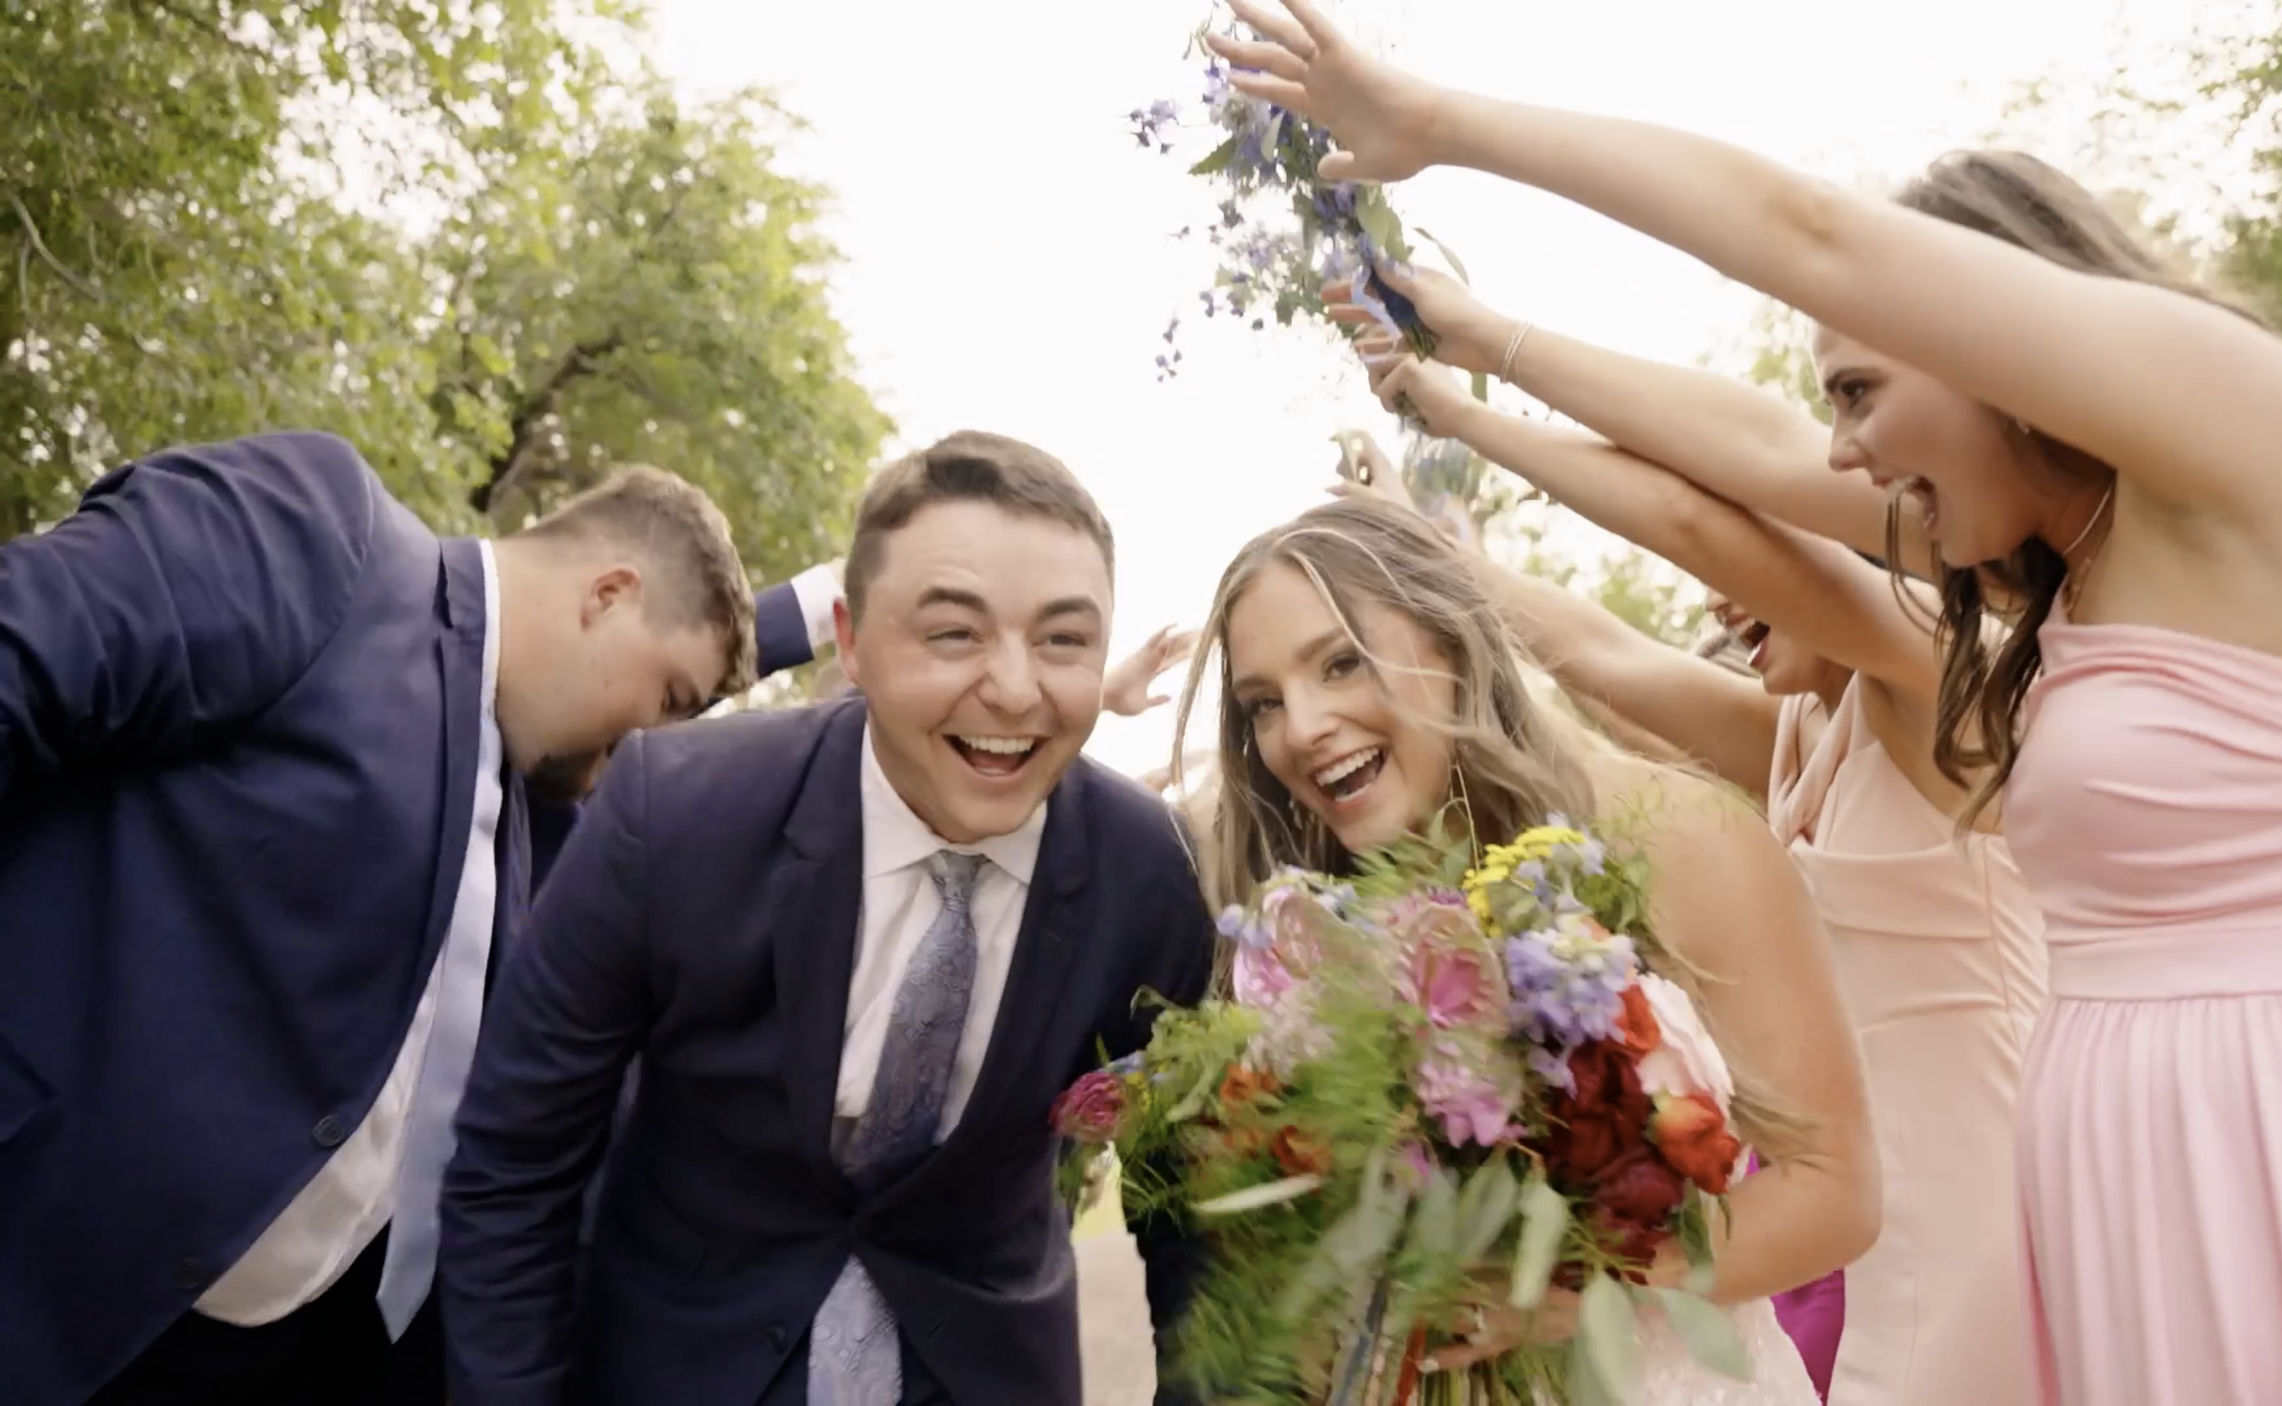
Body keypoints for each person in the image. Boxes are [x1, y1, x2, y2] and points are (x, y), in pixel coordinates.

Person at [1210, 4, 2282, 1400]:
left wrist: (1439, 126)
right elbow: (1750, 462)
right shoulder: (2074, 576)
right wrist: (1471, 370)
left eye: (1863, 388)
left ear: (1997, 334)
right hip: (2166, 1209)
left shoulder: (2261, 447)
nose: (1840, 446)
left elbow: (1801, 256)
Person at [1334, 305, 2048, 1406]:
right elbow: (1594, 650)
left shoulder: (1944, 684)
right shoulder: (1803, 733)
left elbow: (1698, 521)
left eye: (1773, 556)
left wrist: (1457, 400)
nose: (1719, 597)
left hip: (1996, 1205)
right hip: (1880, 1228)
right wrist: (1418, 551)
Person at [438, 431, 1215, 1405]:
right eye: (953, 632)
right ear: (850, 641)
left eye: (1064, 638)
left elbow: (1186, 1211)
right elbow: (515, 1166)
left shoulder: (1153, 878)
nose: (1015, 688)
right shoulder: (669, 816)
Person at [0, 432, 755, 1406]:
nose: (639, 748)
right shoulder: (327, 537)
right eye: (669, 697)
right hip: (46, 1261)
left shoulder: (521, 817)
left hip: (243, 1351)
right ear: (607, 595)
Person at [1173, 493, 1880, 1399]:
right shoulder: (1304, 937)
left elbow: (1837, 1192)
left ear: (1451, 643)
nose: (1301, 728)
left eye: (1342, 663)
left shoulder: (1678, 838)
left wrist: (1592, 1290)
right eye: (1262, 703)